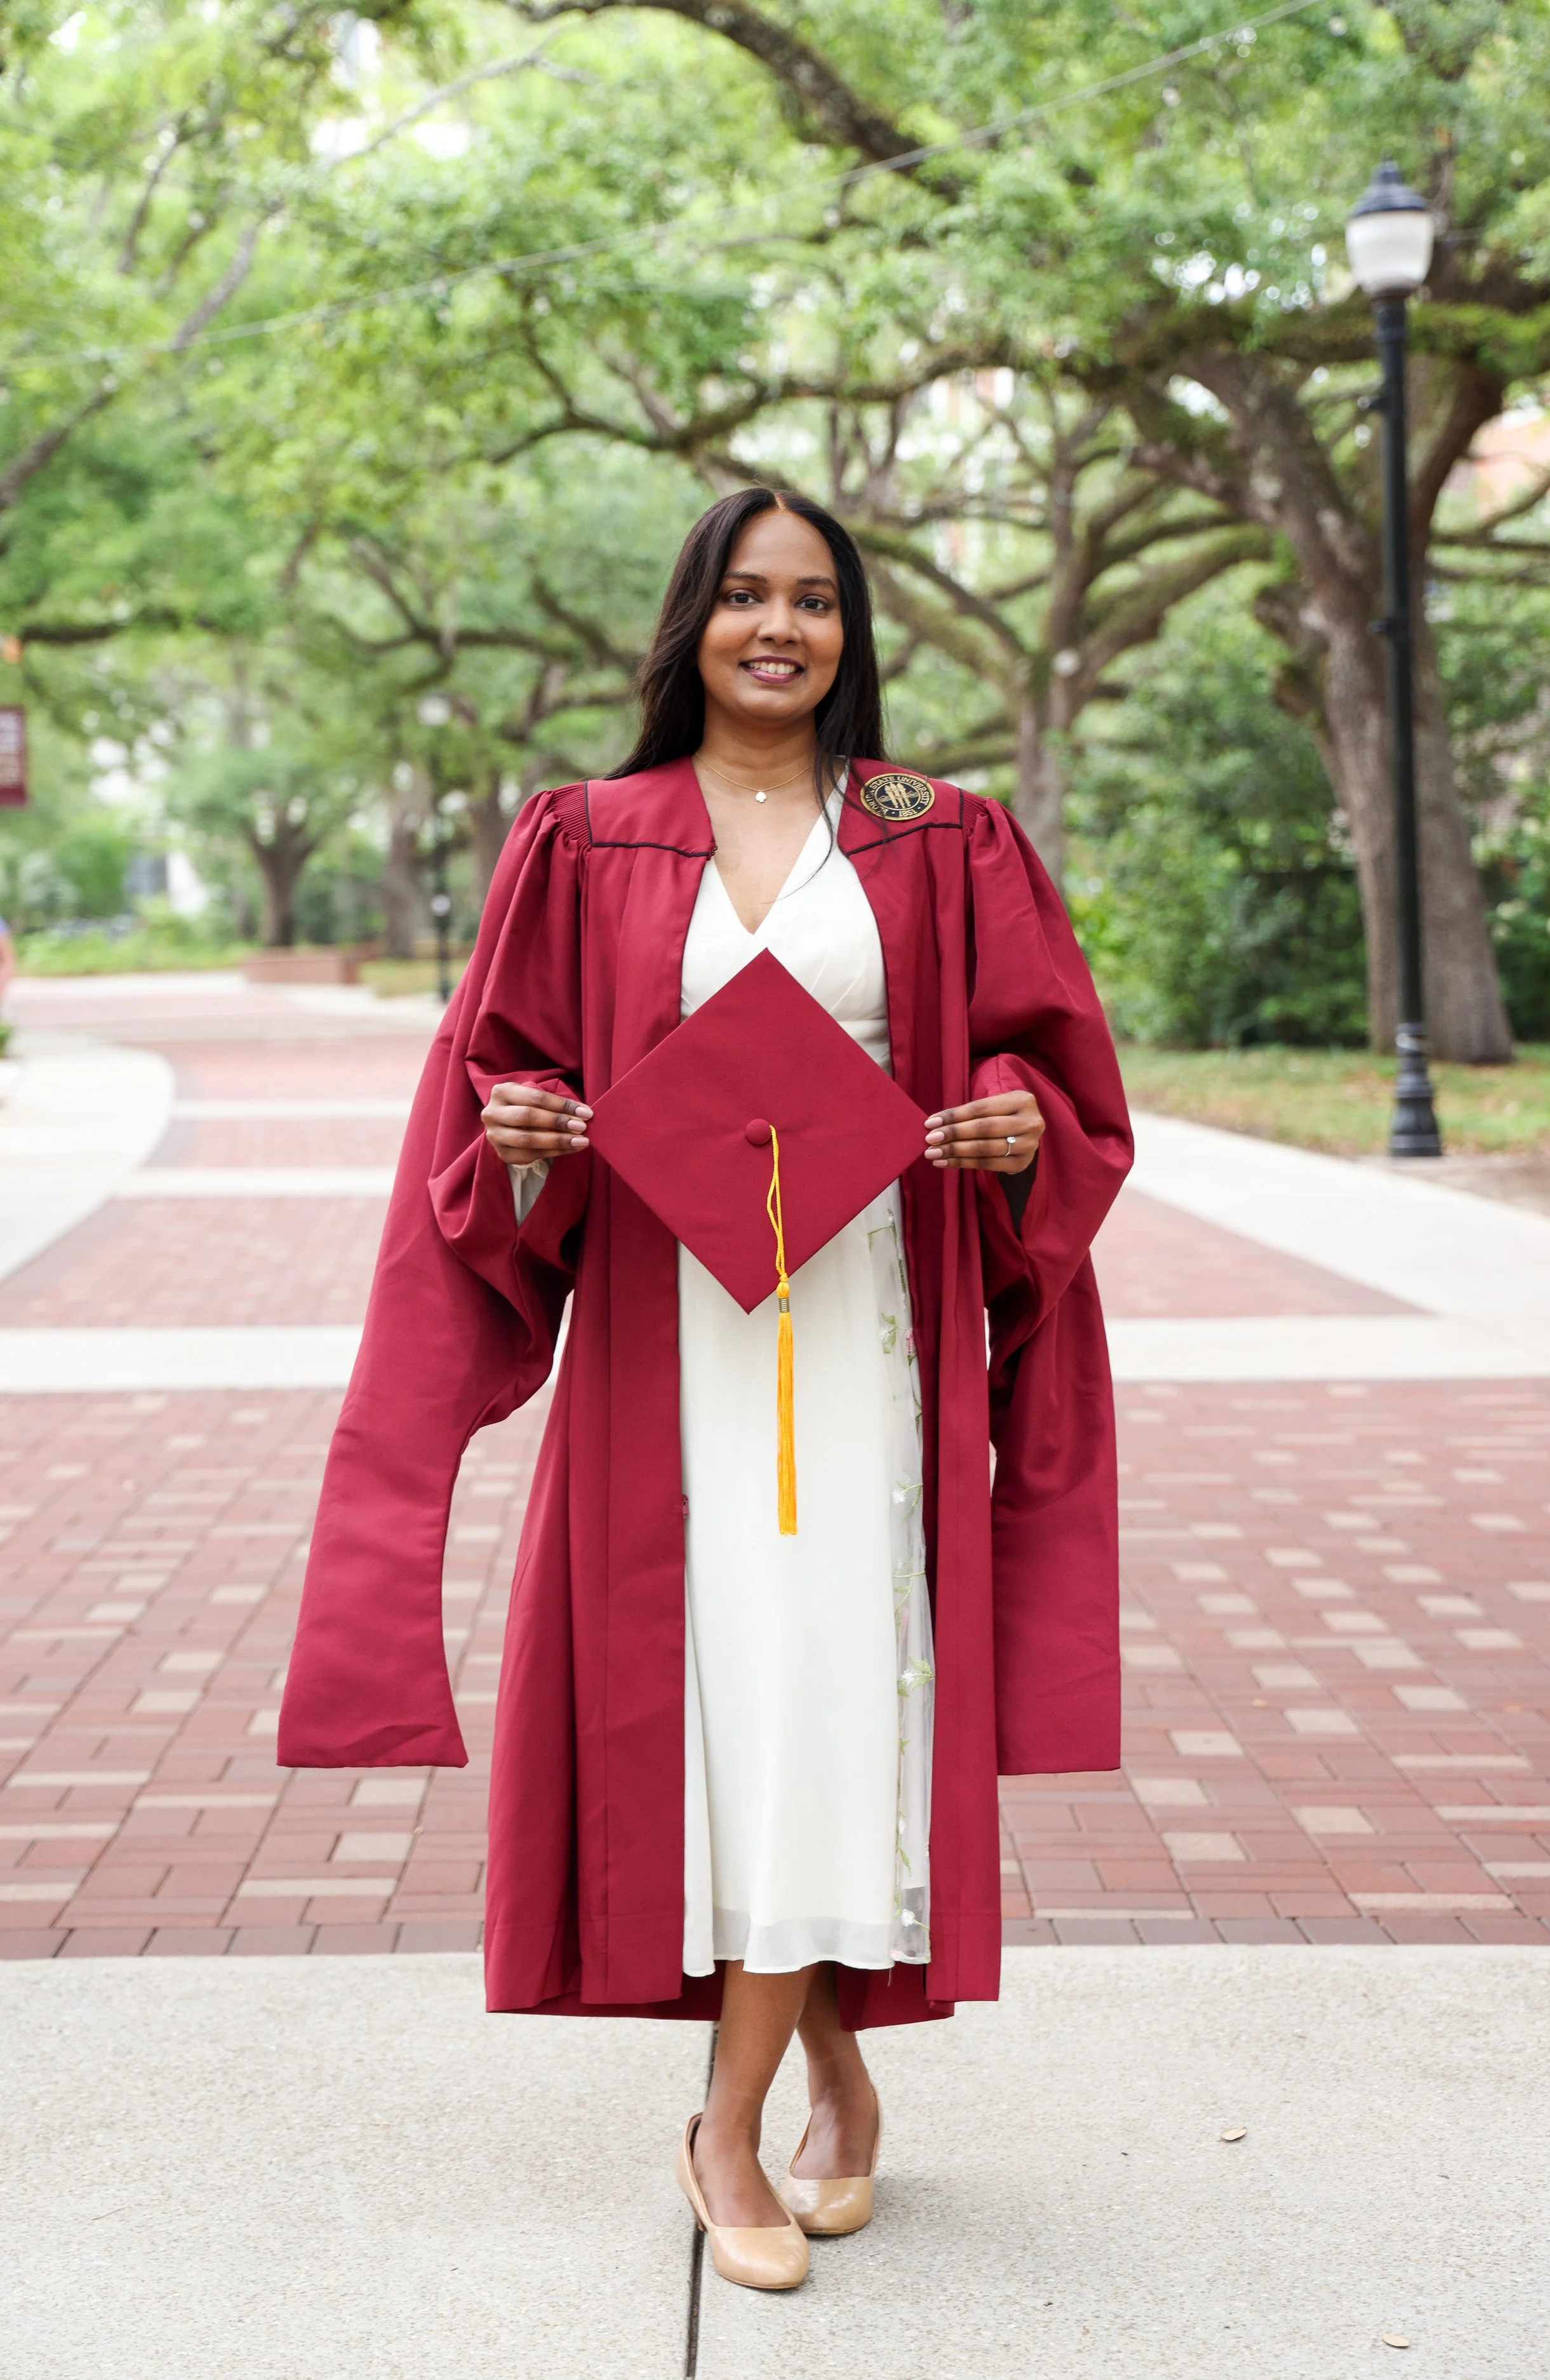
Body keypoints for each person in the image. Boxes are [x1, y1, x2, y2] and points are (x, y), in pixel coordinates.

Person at [279, 490, 1131, 2291]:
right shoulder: (586, 840)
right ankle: (800, 2073)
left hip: (869, 1343)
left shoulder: (936, 831)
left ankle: (725, 2119)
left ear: (849, 631)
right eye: (745, 594)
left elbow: (1057, 1094)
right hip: (674, 1361)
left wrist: (1006, 1130)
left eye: (813, 599)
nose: (778, 627)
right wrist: (521, 1135)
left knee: (832, 1695)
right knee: (733, 1705)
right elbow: (497, 1104)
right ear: (689, 622)